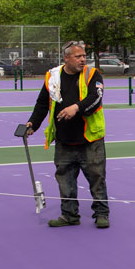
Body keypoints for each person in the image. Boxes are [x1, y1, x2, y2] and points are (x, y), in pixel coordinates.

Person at [25, 40, 109, 228]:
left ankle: (102, 214)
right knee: (65, 180)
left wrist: (76, 108)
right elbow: (42, 103)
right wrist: (33, 124)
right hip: (64, 140)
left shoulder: (92, 74)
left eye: (84, 56)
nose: (82, 60)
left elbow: (96, 98)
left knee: (97, 179)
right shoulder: (52, 76)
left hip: (90, 139)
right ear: (66, 58)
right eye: (78, 56)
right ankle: (70, 215)